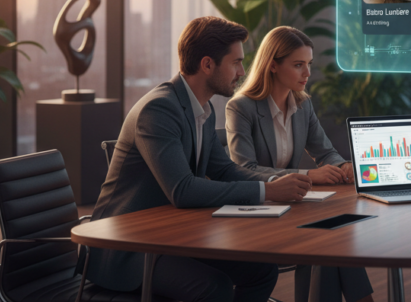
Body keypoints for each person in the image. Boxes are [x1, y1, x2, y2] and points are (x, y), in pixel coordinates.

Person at [86, 16, 313, 302]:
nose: (243, 72)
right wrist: (268, 190)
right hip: (127, 249)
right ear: (207, 65)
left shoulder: (203, 110)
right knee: (212, 286)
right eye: (236, 63)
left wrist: (277, 180)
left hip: (170, 238)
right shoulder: (158, 110)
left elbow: (225, 170)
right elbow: (182, 190)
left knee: (262, 271)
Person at [226, 26, 374, 302]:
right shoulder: (241, 107)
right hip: (255, 212)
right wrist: (308, 175)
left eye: (309, 64)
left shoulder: (302, 104)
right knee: (327, 241)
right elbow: (244, 169)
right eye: (298, 65)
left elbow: (326, 152)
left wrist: (343, 166)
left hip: (292, 207)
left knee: (333, 237)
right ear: (272, 65)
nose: (307, 73)